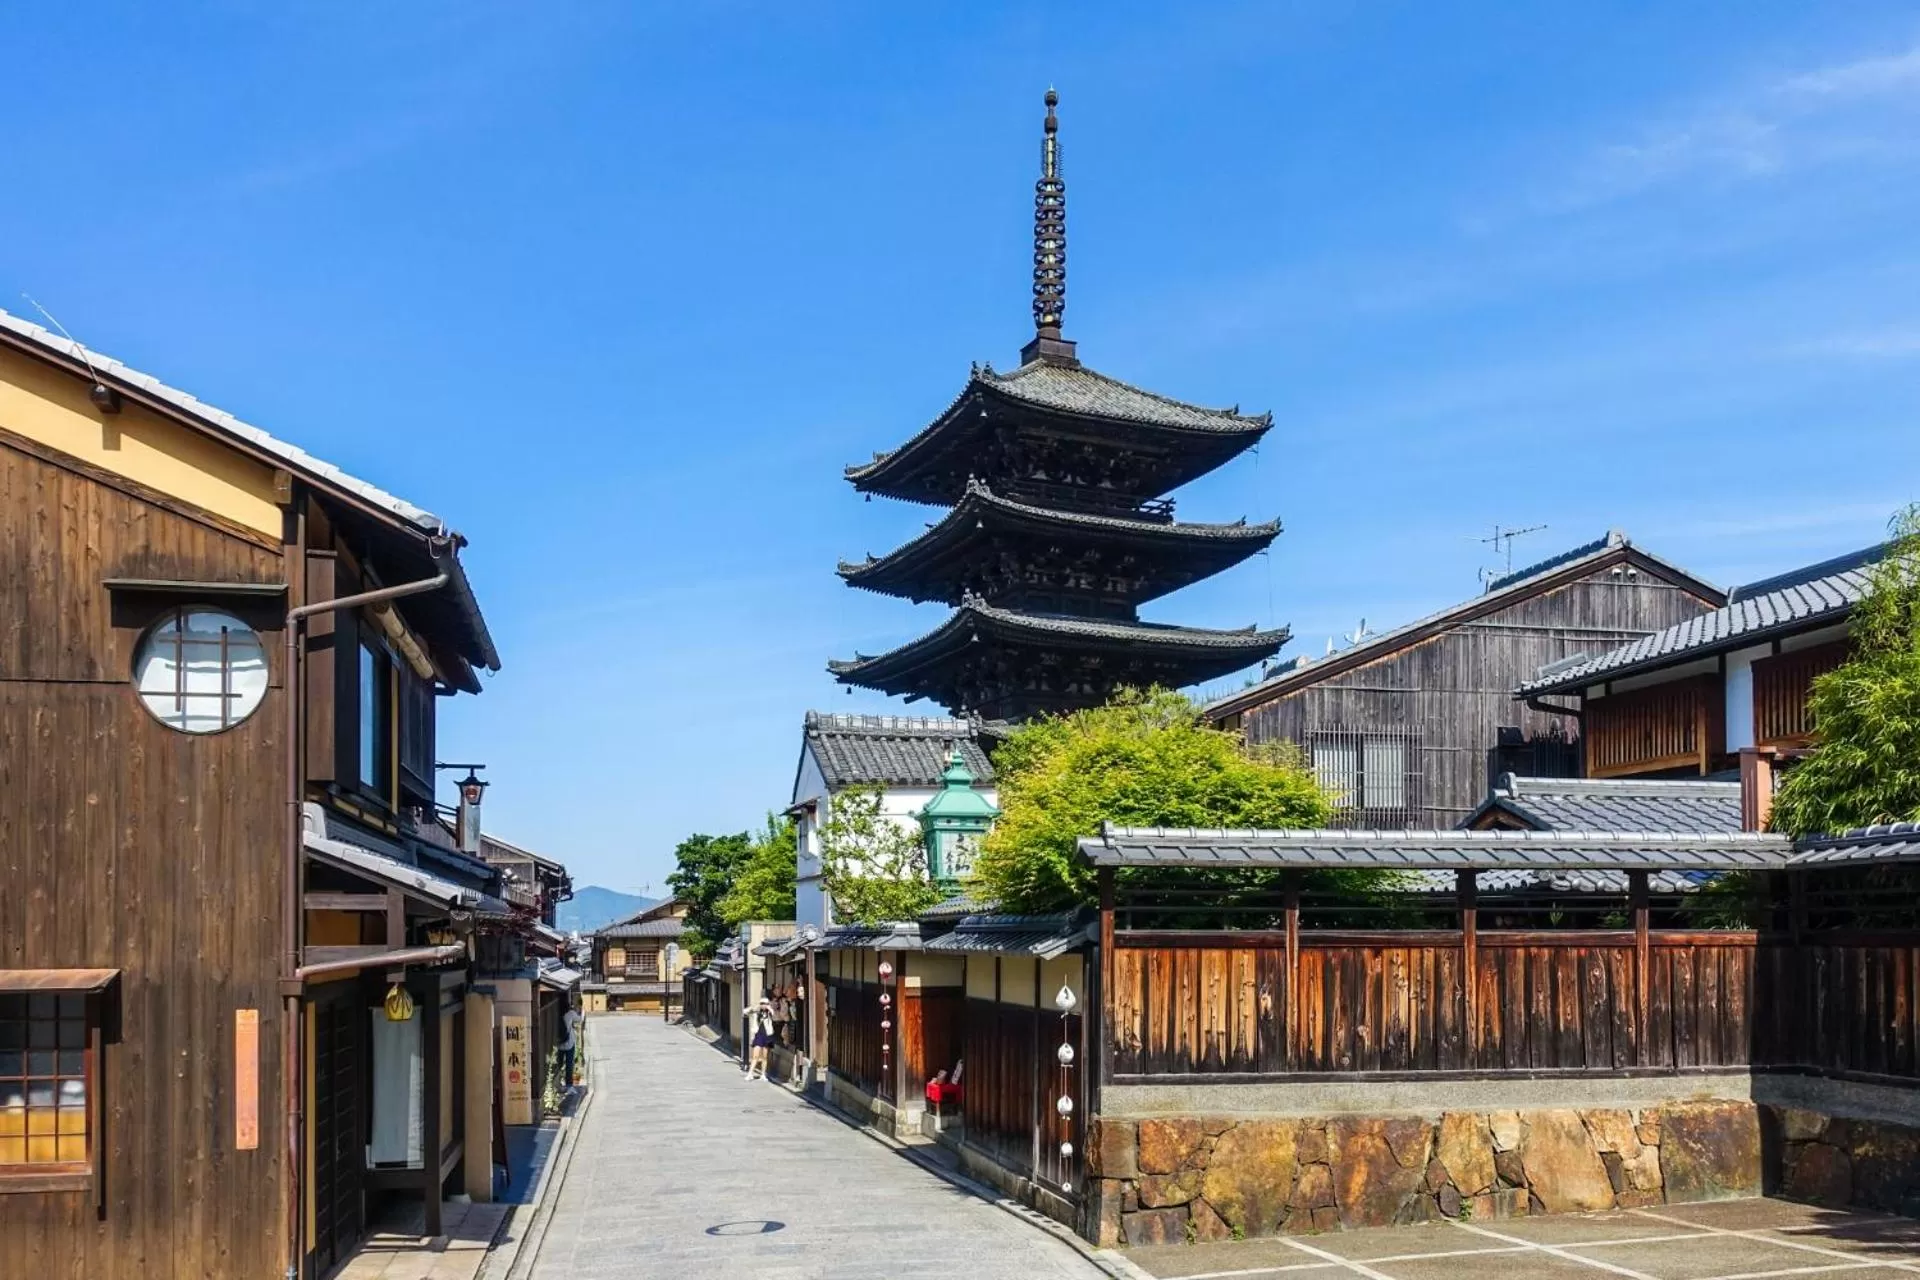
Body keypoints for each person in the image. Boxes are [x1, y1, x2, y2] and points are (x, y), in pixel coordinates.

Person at [745, 998, 774, 1080]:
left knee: (764, 1057)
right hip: (758, 1035)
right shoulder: (756, 1013)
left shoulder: (769, 1013)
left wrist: (769, 1008)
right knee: (755, 1056)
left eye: (765, 1003)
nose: (764, 1005)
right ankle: (750, 1073)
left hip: (767, 1035)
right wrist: (755, 1007)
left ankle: (763, 1074)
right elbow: (745, 1012)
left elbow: (774, 1014)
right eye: (762, 1003)